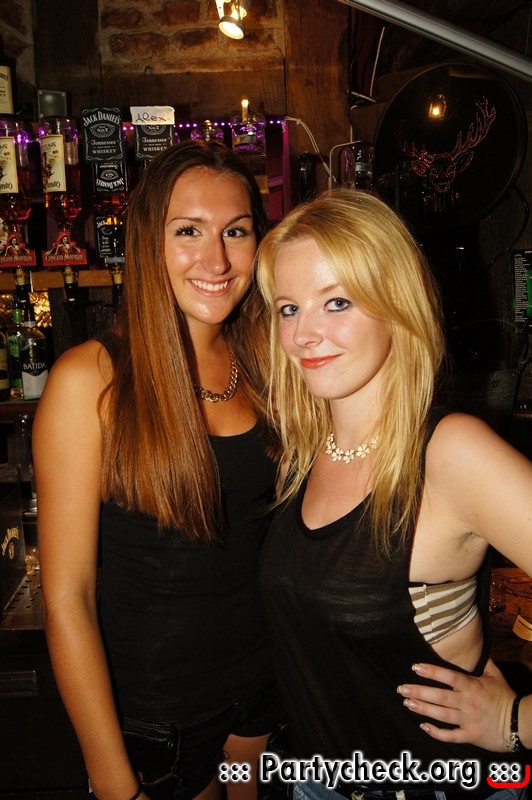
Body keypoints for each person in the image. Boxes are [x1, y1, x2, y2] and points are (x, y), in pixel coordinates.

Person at [255, 188, 532, 800]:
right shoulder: (304, 450)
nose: (303, 334)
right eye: (288, 308)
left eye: (337, 301)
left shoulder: (452, 454)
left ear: (396, 305)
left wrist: (516, 721)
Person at [34, 139, 284, 800]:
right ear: (149, 242)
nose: (217, 259)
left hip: (261, 704)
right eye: (188, 231)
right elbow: (68, 599)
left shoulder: (269, 362)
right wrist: (117, 784)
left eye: (236, 231)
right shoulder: (90, 381)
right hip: (165, 727)